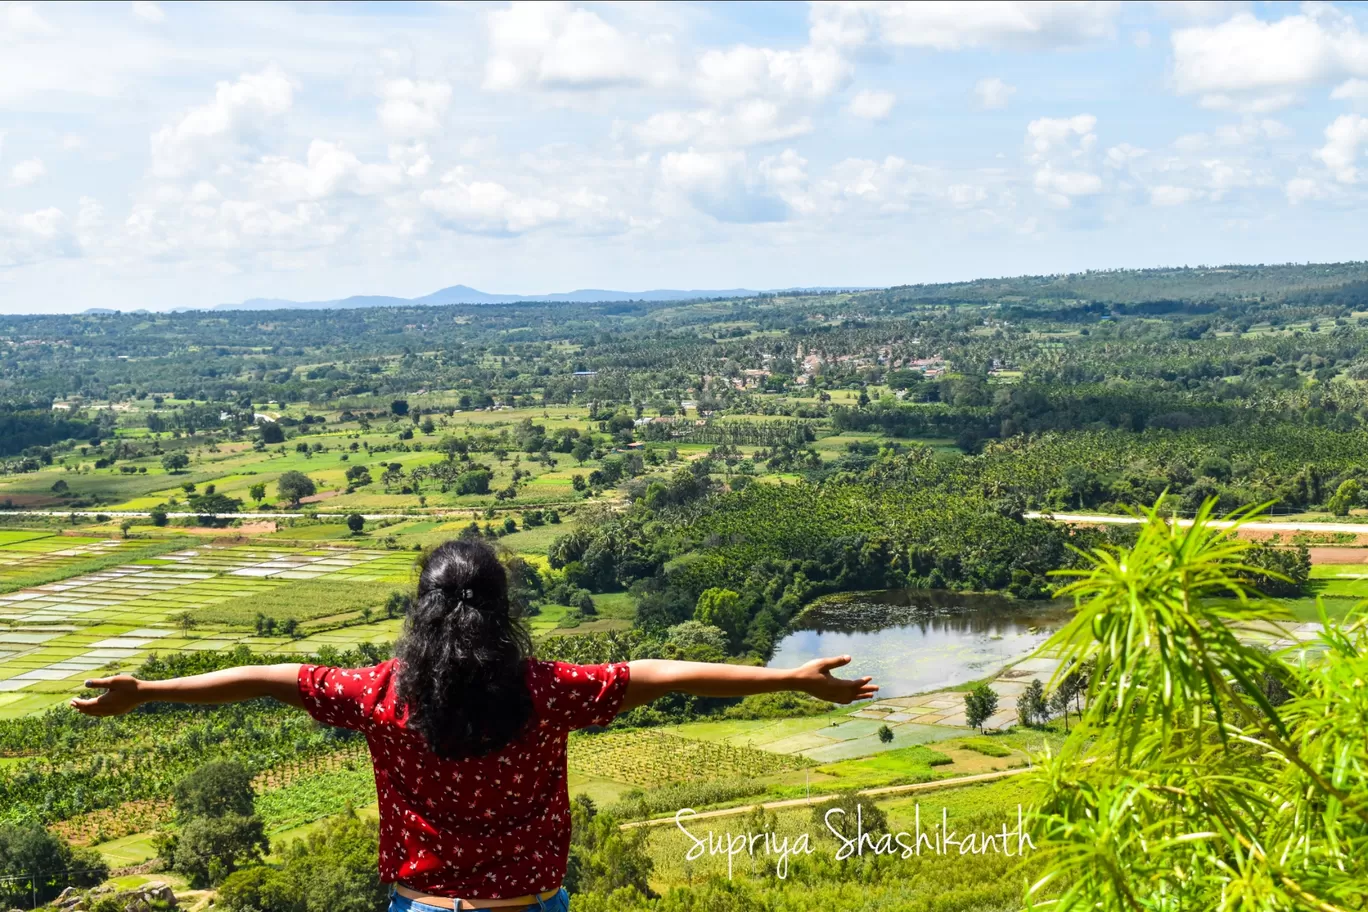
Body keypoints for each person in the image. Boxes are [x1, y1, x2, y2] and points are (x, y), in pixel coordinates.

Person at [72, 539, 878, 911]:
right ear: (502, 610)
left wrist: (148, 692)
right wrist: (787, 679)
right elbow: (663, 674)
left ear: (419, 611)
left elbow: (258, 681)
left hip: (423, 905)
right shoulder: (548, 689)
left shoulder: (379, 693)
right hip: (531, 903)